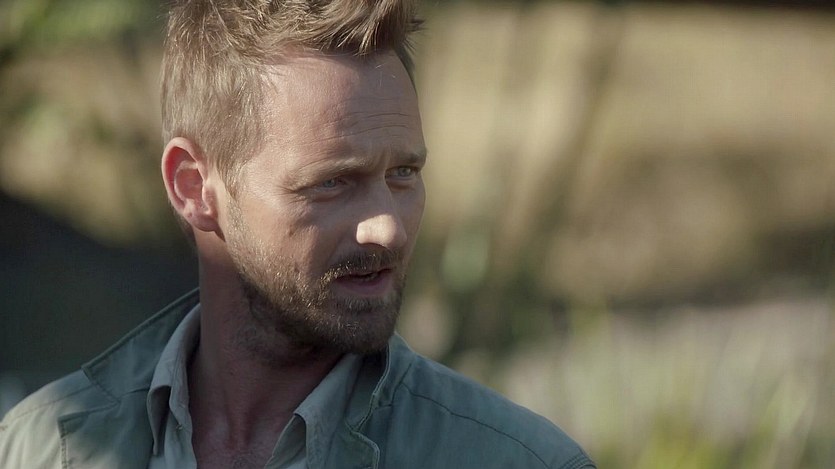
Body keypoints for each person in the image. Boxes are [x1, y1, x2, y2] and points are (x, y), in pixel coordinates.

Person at [0, 1, 595, 468]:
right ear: (193, 187)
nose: (387, 226)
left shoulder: (517, 460)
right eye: (332, 183)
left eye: (404, 174)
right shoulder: (38, 450)